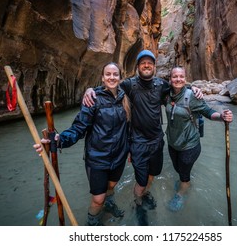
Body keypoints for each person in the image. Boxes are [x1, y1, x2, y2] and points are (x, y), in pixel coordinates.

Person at [82, 50, 203, 225]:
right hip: (137, 142)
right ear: (138, 67)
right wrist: (90, 90)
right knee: (140, 180)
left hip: (156, 141)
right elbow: (110, 86)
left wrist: (193, 87)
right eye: (143, 63)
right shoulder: (129, 85)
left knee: (152, 175)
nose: (146, 65)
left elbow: (178, 87)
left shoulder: (161, 85)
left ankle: (144, 194)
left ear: (154, 66)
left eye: (150, 63)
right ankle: (138, 204)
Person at [34, 62, 131, 226]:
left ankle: (109, 204)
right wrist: (59, 140)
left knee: (111, 187)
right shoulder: (93, 99)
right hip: (97, 158)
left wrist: (129, 150)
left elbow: (128, 128)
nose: (112, 77)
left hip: (119, 156)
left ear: (120, 78)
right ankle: (92, 223)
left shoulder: (125, 98)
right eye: (108, 74)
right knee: (98, 199)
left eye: (115, 74)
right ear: (102, 77)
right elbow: (79, 127)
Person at [165, 66, 233, 212]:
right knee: (178, 169)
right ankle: (185, 182)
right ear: (170, 79)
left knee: (184, 175)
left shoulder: (193, 96)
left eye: (181, 76)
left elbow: (208, 112)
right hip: (172, 143)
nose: (178, 79)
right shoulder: (167, 94)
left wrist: (221, 117)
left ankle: (181, 194)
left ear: (185, 78)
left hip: (189, 145)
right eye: (175, 76)